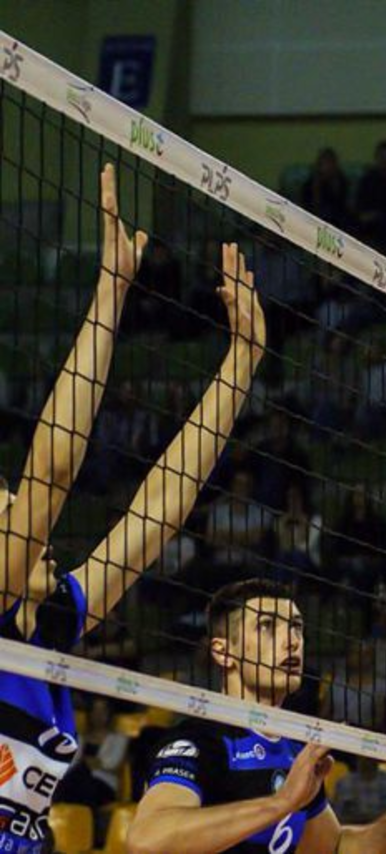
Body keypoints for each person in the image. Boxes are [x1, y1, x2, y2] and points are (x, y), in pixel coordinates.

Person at [0, 182, 264, 852]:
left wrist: (242, 360)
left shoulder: (50, 624)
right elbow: (51, 473)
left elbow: (160, 510)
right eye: (8, 513)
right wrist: (110, 293)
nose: (32, 527)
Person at [128, 579, 386, 854]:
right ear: (223, 652)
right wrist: (282, 802)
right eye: (267, 626)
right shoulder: (198, 741)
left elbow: (335, 848)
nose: (291, 641)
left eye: (296, 627)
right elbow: (146, 840)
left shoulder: (294, 750)